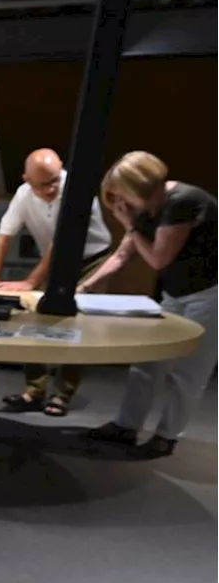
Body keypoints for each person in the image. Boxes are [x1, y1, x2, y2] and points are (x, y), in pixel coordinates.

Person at [84, 151, 219, 457]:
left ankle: (167, 435)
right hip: (176, 293)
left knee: (190, 370)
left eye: (123, 197)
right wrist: (86, 286)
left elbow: (159, 258)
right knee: (148, 363)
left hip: (211, 293)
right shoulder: (144, 209)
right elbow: (121, 255)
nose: (121, 205)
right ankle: (126, 425)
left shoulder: (182, 202)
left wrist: (128, 224)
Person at [0, 148, 112, 416]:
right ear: (27, 180)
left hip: (92, 258)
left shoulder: (77, 190)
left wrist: (30, 281)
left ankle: (63, 393)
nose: (52, 188)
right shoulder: (23, 194)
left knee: (77, 321)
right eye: (43, 184)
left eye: (55, 180)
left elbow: (61, 242)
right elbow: (4, 237)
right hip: (53, 260)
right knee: (34, 317)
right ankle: (34, 390)